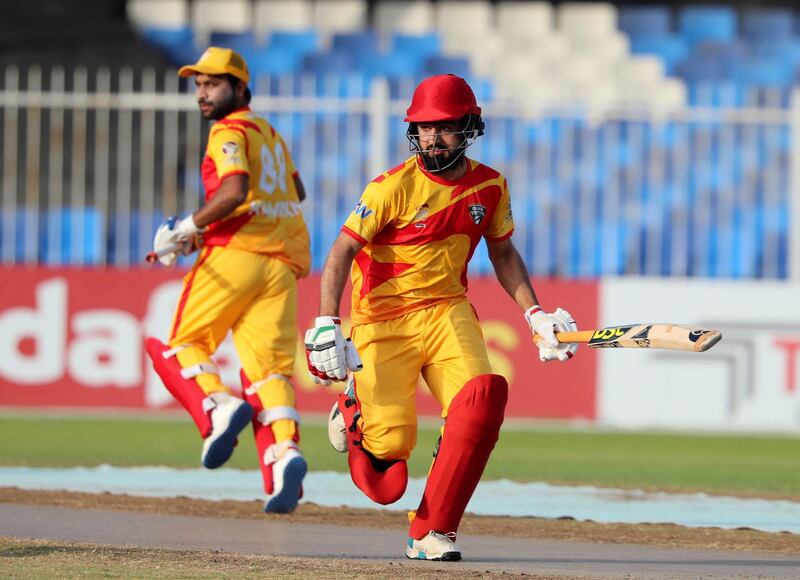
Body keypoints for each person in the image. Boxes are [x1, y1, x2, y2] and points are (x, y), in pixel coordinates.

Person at [304, 74, 579, 561]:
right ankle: (356, 412)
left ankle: (433, 530)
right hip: (381, 323)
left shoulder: (491, 186)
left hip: (447, 312)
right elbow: (342, 250)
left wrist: (535, 315)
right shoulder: (390, 187)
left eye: (445, 127)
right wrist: (327, 322)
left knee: (483, 399)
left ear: (471, 127)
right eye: (424, 127)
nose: (432, 138)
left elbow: (504, 253)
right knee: (386, 477)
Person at [145, 47, 311, 514]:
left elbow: (235, 189)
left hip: (238, 254)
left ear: (240, 88)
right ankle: (284, 454)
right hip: (281, 262)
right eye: (198, 85)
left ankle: (218, 405)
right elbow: (296, 190)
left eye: (213, 84)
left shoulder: (229, 130)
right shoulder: (270, 133)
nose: (202, 93)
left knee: (184, 344)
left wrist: (186, 229)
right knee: (269, 373)